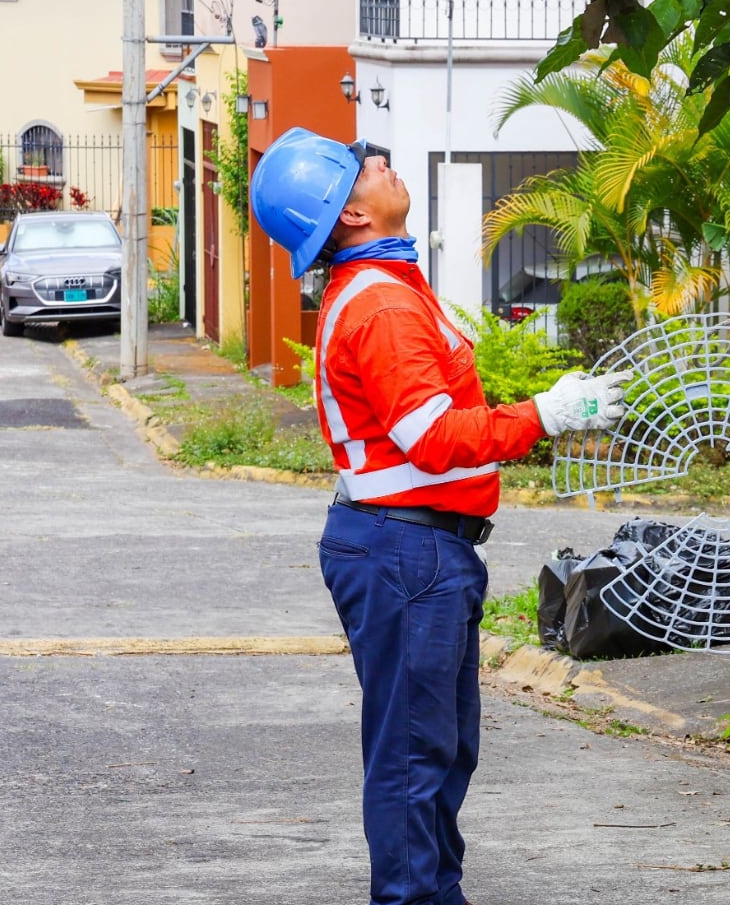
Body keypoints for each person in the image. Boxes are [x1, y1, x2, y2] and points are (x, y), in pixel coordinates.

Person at [248, 127, 630, 905]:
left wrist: (542, 412)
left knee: (437, 750)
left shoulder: (389, 287)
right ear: (350, 214)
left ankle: (432, 893)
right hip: (407, 553)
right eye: (364, 167)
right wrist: (547, 413)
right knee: (417, 756)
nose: (380, 161)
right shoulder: (384, 304)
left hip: (411, 551)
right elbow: (432, 439)